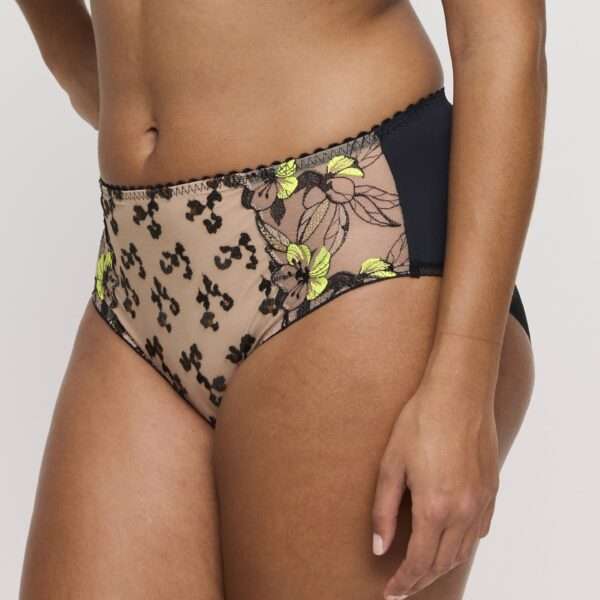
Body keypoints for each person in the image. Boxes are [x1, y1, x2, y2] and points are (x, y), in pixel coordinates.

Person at [17, 1, 545, 599]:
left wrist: (464, 385)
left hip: (348, 234)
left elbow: (500, 34)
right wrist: (79, 61)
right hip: (142, 262)